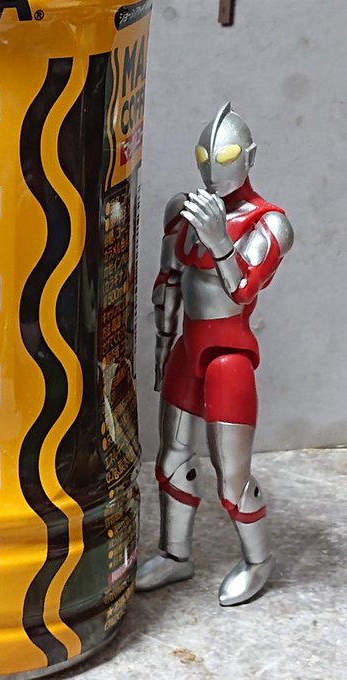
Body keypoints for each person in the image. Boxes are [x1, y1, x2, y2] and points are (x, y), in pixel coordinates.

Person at [136, 103, 294, 605]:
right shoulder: (184, 211)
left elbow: (244, 289)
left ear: (249, 156)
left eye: (225, 156)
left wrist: (219, 241)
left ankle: (258, 560)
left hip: (230, 353)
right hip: (188, 346)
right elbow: (168, 282)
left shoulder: (271, 223)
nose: (213, 168)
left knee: (232, 476)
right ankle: (176, 553)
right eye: (205, 157)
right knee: (172, 457)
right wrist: (162, 343)